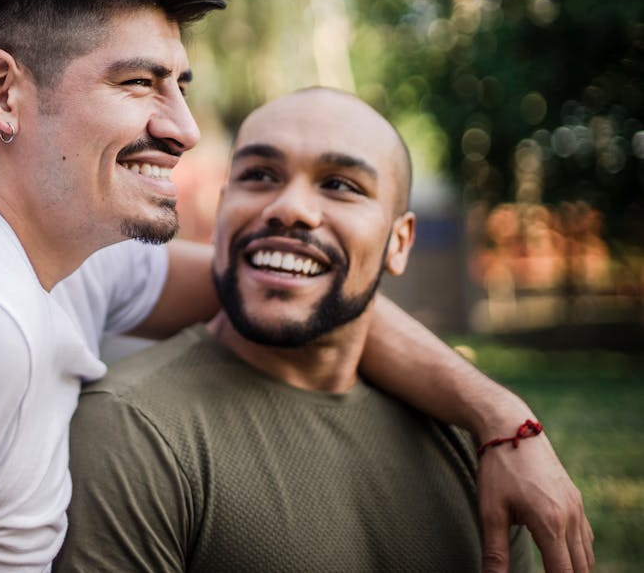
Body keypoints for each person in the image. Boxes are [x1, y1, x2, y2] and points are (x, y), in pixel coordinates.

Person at [0, 0, 590, 571]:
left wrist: (502, 418)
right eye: (139, 84)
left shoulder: (48, 252)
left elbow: (276, 276)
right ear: (3, 92)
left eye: (179, 84)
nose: (184, 126)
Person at [54, 89, 588, 573]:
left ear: (399, 242)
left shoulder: (480, 443)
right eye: (259, 176)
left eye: (339, 185)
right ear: (222, 210)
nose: (289, 208)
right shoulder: (132, 433)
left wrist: (503, 419)